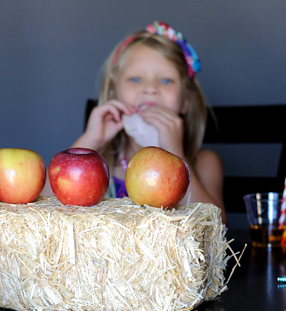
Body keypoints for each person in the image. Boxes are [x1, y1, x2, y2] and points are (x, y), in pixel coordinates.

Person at [72, 21, 226, 222]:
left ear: (185, 102)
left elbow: (214, 226)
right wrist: (91, 140)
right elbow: (43, 206)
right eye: (135, 79)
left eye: (166, 80)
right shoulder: (102, 163)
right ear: (113, 94)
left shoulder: (205, 163)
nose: (150, 89)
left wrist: (176, 154)